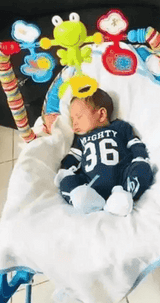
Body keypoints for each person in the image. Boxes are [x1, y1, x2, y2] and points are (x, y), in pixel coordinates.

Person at [54, 88, 154, 216]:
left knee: (143, 169)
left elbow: (135, 144)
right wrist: (65, 170)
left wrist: (140, 158)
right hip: (89, 185)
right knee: (65, 181)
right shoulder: (80, 139)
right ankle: (86, 200)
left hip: (122, 178)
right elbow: (73, 157)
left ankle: (122, 197)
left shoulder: (120, 127)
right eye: (73, 120)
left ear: (101, 114)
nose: (74, 124)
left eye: (79, 117)